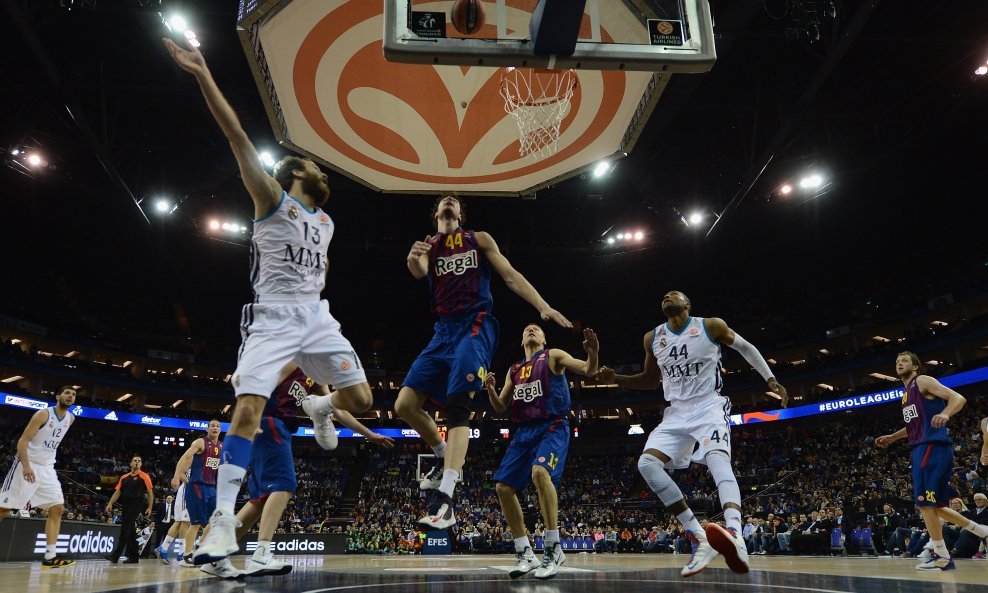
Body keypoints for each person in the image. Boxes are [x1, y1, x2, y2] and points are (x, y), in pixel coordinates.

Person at [162, 38, 374, 565]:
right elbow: (235, 134)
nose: (325, 174)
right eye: (316, 169)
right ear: (295, 173)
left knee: (364, 400)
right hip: (272, 318)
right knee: (248, 410)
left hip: (316, 318)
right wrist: (202, 74)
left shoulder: (326, 223)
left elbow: (320, 273)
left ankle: (320, 407)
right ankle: (219, 526)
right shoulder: (270, 198)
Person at [399, 195, 573, 529]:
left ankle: (447, 500)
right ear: (436, 213)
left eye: (455, 201)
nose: (449, 200)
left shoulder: (478, 239)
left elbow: (509, 275)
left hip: (476, 326)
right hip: (443, 330)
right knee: (404, 404)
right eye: (443, 201)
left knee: (457, 407)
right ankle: (440, 454)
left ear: (460, 213)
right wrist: (413, 258)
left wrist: (543, 306)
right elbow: (419, 272)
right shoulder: (429, 245)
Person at [595, 291, 787, 577]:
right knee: (646, 464)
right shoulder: (652, 337)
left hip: (709, 404)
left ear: (687, 304)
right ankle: (700, 537)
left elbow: (746, 348)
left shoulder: (710, 326)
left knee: (717, 460)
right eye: (663, 296)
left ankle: (735, 530)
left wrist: (770, 378)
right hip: (676, 412)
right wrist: (616, 380)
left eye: (674, 294)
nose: (666, 296)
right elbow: (650, 380)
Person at [201, 363, 395, 579]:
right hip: (271, 421)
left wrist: (368, 433)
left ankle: (216, 557)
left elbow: (336, 409)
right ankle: (261, 554)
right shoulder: (295, 359)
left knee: (259, 500)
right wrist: (253, 415)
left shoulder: (317, 378)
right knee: (285, 484)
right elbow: (264, 385)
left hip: (273, 426)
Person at [486, 324, 598, 579]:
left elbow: (588, 370)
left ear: (544, 339)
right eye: (526, 329)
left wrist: (592, 354)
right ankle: (524, 552)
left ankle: (553, 547)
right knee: (503, 487)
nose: (532, 330)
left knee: (539, 472)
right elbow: (501, 406)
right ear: (521, 340)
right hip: (524, 431)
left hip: (553, 425)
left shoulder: (553, 356)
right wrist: (491, 390)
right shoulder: (514, 370)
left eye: (536, 328)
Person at [875, 351, 988, 571]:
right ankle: (980, 531)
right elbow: (913, 427)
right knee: (930, 505)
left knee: (926, 504)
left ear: (915, 366)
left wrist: (946, 413)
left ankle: (943, 556)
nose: (899, 364)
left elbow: (958, 398)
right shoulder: (906, 394)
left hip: (932, 447)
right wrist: (892, 437)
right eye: (897, 361)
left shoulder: (922, 381)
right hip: (920, 448)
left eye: (905, 361)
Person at [0, 386, 78, 568]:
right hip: (27, 464)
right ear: (58, 396)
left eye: (74, 395)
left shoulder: (71, 418)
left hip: (47, 468)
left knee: (57, 508)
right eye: (67, 393)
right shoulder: (42, 414)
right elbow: (22, 441)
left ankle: (50, 557)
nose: (70, 396)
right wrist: (26, 465)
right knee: (4, 509)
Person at [170, 420, 222, 567]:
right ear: (207, 429)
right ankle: (186, 555)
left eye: (217, 426)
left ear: (220, 430)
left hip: (212, 488)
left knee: (217, 519)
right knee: (196, 523)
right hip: (197, 486)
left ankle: (199, 546)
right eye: (212, 425)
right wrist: (176, 476)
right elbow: (185, 457)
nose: (215, 428)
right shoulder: (200, 442)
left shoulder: (221, 446)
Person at [105, 455, 154, 564]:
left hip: (136, 505)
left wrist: (150, 507)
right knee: (130, 531)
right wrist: (110, 503)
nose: (137, 462)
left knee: (125, 529)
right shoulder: (124, 477)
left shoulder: (144, 476)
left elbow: (150, 492)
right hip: (125, 505)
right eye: (135, 460)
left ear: (141, 464)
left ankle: (115, 556)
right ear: (131, 464)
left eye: (139, 461)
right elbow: (118, 492)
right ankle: (134, 557)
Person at [156, 472, 191, 563]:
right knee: (185, 521)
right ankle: (182, 552)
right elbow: (180, 468)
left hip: (188, 490)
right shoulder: (191, 457)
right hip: (187, 489)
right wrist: (176, 477)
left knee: (179, 522)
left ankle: (163, 548)